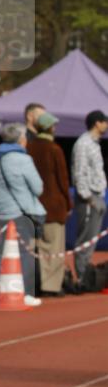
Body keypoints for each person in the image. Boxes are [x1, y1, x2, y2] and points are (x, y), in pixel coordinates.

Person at [0, 123, 44, 306]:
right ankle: (25, 292)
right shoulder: (23, 160)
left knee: (2, 253)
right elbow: (38, 187)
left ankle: (3, 289)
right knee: (24, 253)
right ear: (21, 139)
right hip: (18, 212)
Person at [28, 112, 71, 296]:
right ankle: (51, 286)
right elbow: (63, 179)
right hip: (53, 206)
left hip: (32, 206)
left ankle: (35, 283)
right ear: (50, 127)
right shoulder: (54, 149)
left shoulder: (28, 147)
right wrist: (68, 203)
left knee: (35, 247)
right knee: (54, 248)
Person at [72, 109, 108, 291]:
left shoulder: (94, 144)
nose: (106, 125)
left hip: (98, 194)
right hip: (89, 197)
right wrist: (87, 196)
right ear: (97, 123)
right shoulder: (83, 144)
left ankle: (87, 275)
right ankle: (82, 276)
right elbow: (80, 171)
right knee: (85, 238)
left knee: (92, 238)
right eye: (105, 121)